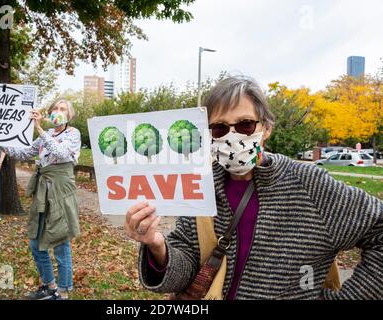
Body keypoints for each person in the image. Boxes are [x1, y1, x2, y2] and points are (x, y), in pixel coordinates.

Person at [125, 76, 383, 300]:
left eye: (245, 124)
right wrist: (157, 247)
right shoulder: (202, 184)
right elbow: (188, 267)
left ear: (266, 129)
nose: (232, 135)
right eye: (219, 128)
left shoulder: (308, 184)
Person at [3, 99, 81, 300]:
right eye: (55, 108)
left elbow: (61, 152)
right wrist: (0, 143)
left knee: (60, 242)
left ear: (70, 115)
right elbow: (23, 152)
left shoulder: (73, 134)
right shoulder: (45, 137)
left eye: (63, 109)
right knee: (35, 242)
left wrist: (38, 128)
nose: (58, 111)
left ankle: (63, 292)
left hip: (61, 192)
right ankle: (49, 286)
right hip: (42, 191)